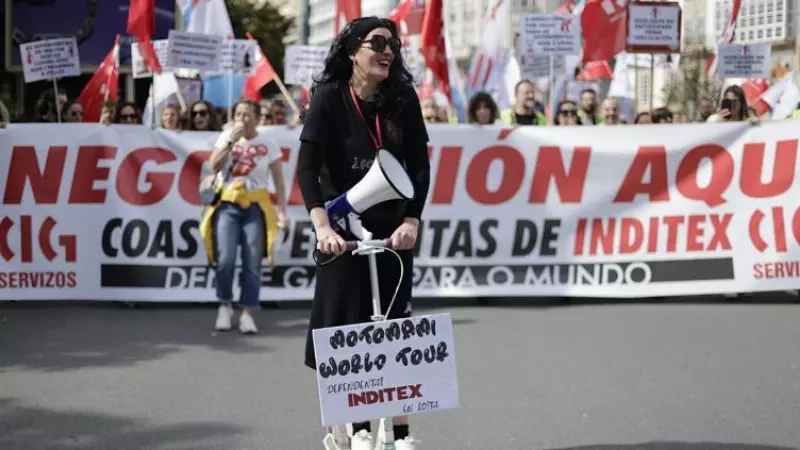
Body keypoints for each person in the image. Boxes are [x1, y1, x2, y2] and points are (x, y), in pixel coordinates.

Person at [296, 16, 430, 450]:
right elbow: (307, 168)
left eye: (393, 43)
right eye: (378, 43)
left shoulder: (402, 98)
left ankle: (402, 431)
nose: (388, 50)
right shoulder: (329, 97)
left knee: (395, 328)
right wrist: (321, 224)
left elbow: (419, 165)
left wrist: (411, 219)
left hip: (391, 232)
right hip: (339, 229)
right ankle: (346, 426)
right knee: (341, 330)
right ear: (353, 50)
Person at [199, 99, 289, 334]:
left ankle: (247, 311)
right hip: (228, 204)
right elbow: (214, 165)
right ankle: (225, 305)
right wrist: (230, 140)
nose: (242, 119)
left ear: (257, 117)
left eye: (246, 114)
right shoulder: (227, 136)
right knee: (225, 258)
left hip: (255, 206)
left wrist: (281, 211)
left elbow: (278, 179)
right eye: (238, 114)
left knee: (252, 260)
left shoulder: (268, 142)